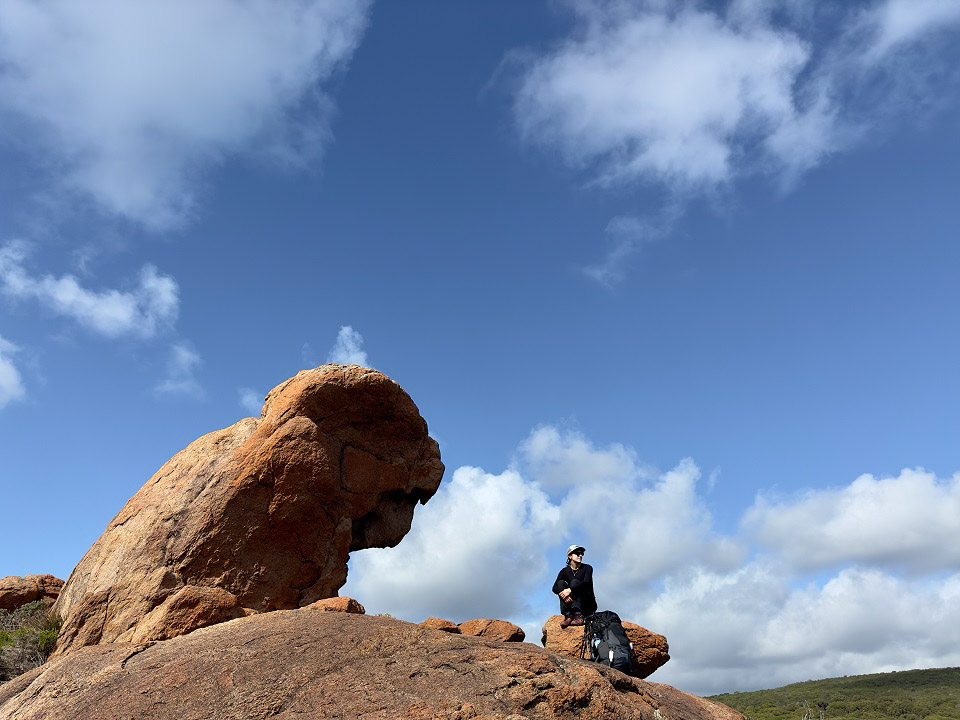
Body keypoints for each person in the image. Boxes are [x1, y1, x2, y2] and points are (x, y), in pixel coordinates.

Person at [552, 544, 597, 628]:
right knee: (561, 583)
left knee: (575, 582)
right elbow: (554, 587)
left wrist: (570, 590)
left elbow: (586, 584)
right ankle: (568, 615)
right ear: (570, 556)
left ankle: (578, 615)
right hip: (571, 603)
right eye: (577, 553)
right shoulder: (564, 571)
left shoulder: (587, 568)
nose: (580, 555)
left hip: (587, 604)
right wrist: (564, 596)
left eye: (581, 554)